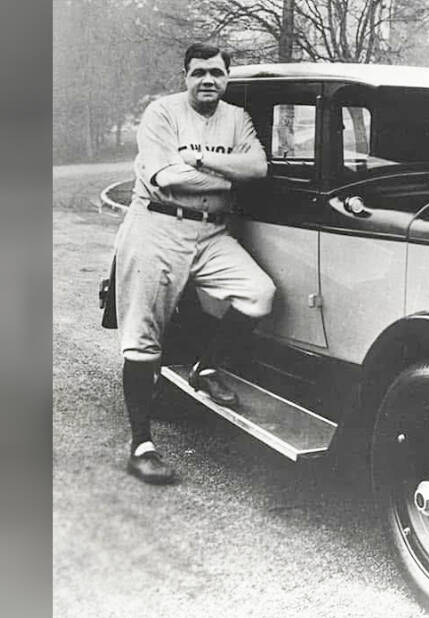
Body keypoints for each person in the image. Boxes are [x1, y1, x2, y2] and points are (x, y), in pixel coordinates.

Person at [114, 43, 275, 485]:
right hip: (157, 227)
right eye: (198, 72)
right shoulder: (162, 113)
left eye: (216, 73)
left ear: (226, 78)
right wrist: (229, 177)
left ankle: (206, 368)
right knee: (143, 338)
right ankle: (141, 446)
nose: (208, 80)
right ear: (185, 76)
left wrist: (198, 159)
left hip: (210, 232)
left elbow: (258, 167)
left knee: (259, 294)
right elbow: (166, 177)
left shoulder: (236, 118)